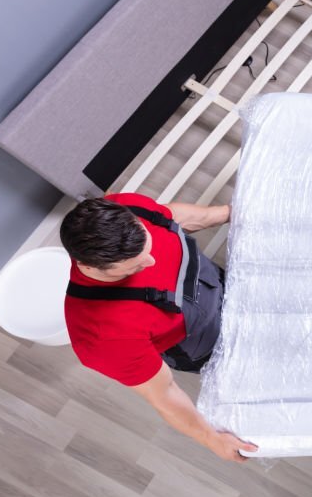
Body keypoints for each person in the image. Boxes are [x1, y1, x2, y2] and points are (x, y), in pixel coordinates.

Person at [61, 192, 257, 462]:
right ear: (88, 266)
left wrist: (227, 213)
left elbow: (171, 216)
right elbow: (164, 395)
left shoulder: (123, 205)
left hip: (224, 285)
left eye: (148, 248)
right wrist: (210, 438)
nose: (151, 262)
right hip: (213, 344)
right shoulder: (101, 337)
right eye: (133, 268)